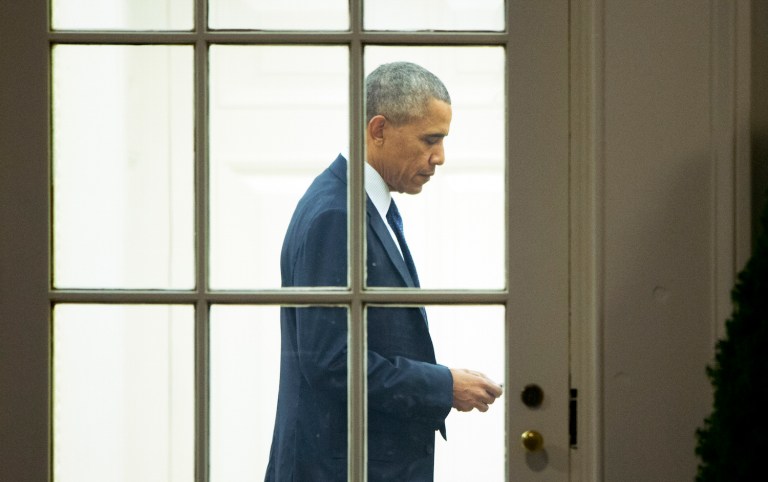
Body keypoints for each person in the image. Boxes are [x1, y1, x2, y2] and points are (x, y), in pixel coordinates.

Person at [265, 61, 503, 482]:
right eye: (431, 139)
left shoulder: (362, 205)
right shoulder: (336, 214)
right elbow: (330, 361)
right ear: (378, 129)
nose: (440, 157)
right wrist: (442, 386)